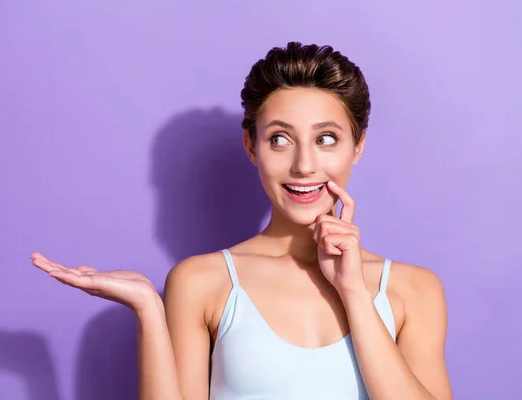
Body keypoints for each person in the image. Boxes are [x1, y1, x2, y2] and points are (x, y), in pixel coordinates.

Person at [31, 42, 452, 400]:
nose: (304, 165)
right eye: (280, 139)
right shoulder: (201, 281)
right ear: (252, 146)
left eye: (326, 138)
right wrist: (148, 308)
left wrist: (354, 292)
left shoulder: (412, 290)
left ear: (356, 146)